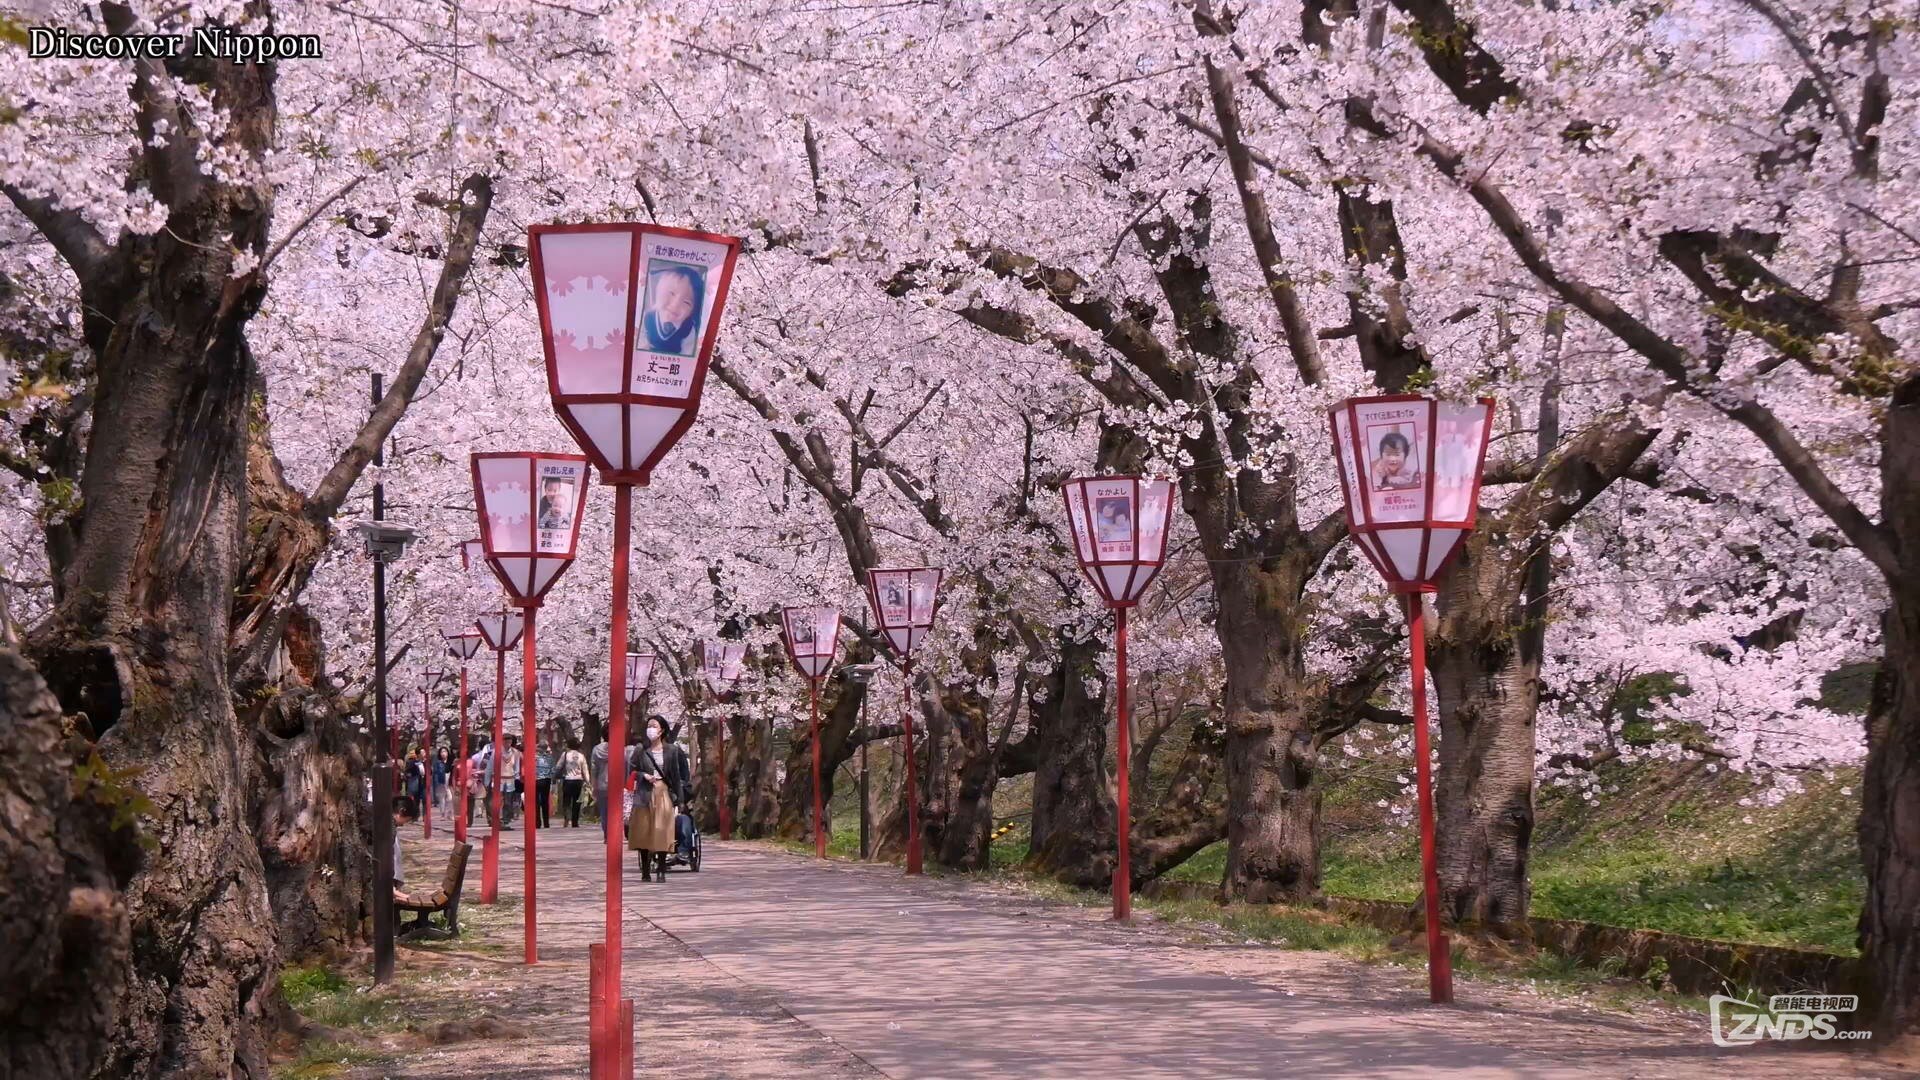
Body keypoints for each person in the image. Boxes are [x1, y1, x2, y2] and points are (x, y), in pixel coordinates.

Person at [627, 715, 690, 883]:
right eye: (649, 725)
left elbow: (676, 776)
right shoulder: (641, 749)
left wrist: (680, 800)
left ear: (661, 730)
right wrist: (643, 775)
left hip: (663, 793)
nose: (651, 729)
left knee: (662, 830)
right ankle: (646, 870)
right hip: (644, 794)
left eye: (654, 726)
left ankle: (661, 868)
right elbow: (631, 771)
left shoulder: (671, 750)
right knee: (644, 831)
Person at [643, 264, 704, 355]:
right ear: (658, 291)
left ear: (692, 311)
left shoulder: (688, 329)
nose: (675, 305)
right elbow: (640, 341)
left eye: (687, 302)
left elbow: (688, 352)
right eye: (671, 293)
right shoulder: (647, 317)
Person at [559, 737, 589, 827]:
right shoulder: (581, 756)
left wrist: (555, 775)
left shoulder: (565, 754)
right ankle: (575, 821)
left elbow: (558, 766)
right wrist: (588, 781)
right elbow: (585, 770)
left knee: (566, 800)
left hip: (568, 780)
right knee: (577, 801)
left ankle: (566, 818)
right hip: (578, 780)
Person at [533, 741, 555, 829]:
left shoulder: (534, 757)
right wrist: (553, 780)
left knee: (536, 802)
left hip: (537, 780)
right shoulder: (550, 758)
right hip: (547, 780)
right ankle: (546, 823)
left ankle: (537, 822)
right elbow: (553, 770)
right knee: (545, 801)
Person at [432, 748, 451, 813]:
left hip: (449, 781)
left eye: (445, 751)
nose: (443, 753)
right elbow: (435, 772)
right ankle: (443, 813)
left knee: (450, 798)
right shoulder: (438, 763)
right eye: (442, 752)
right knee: (441, 798)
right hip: (441, 781)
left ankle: (448, 812)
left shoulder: (450, 762)